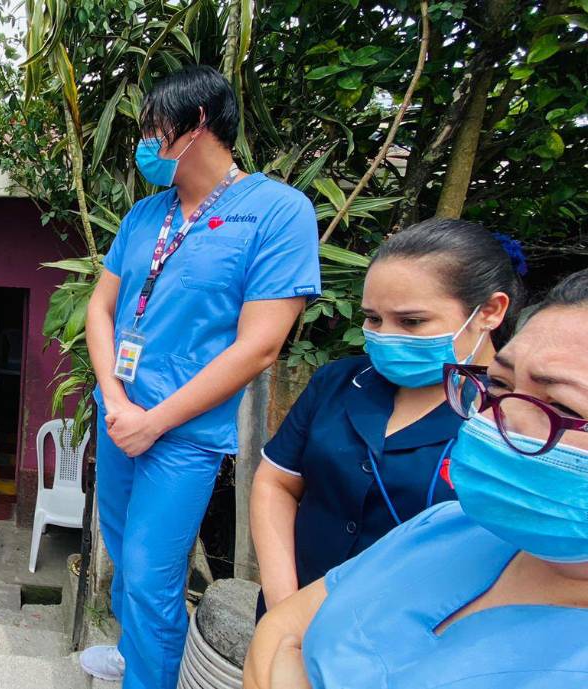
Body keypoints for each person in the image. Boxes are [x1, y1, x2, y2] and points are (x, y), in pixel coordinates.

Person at [80, 65, 322, 689]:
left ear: (198, 125)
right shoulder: (143, 216)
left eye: (154, 128)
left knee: (150, 570)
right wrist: (114, 397)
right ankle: (137, 658)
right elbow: (100, 309)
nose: (144, 144)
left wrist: (152, 418)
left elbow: (260, 346)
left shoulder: (278, 211)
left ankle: (149, 676)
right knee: (126, 568)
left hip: (180, 435)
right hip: (118, 418)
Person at [245, 268, 588, 689]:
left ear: (490, 313)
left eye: (565, 408)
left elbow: (288, 644)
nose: (499, 421)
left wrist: (295, 659)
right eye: (498, 385)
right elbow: (277, 628)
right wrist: (282, 623)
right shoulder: (446, 527)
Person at [250, 219, 523, 619]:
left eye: (411, 322)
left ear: (489, 312)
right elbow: (276, 483)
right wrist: (283, 611)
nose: (384, 335)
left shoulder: (517, 421)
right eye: (373, 319)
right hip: (287, 615)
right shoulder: (339, 382)